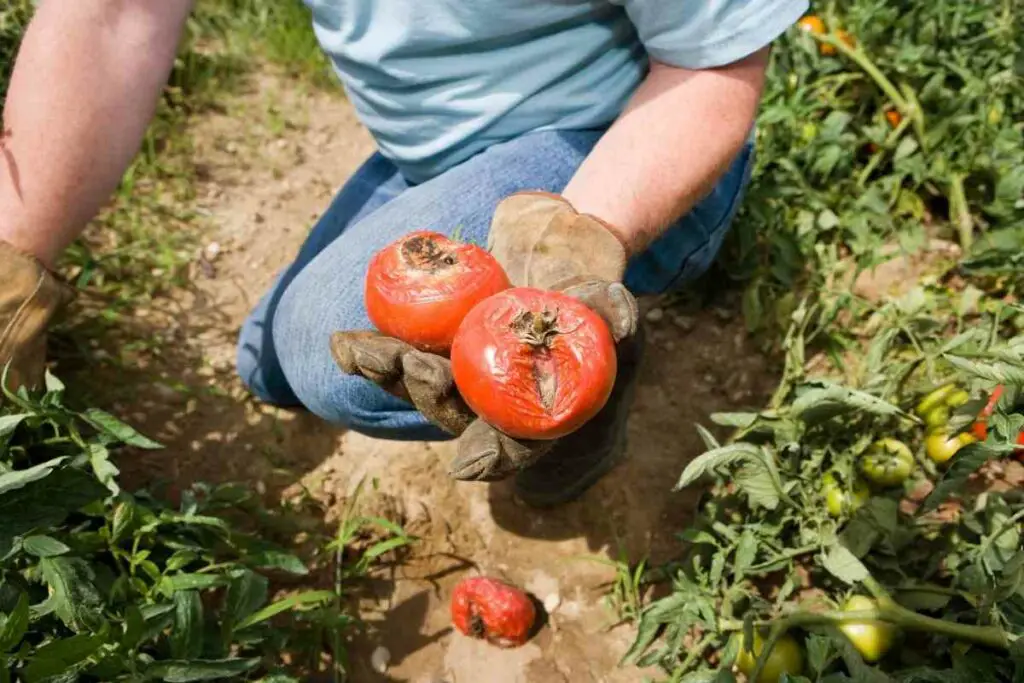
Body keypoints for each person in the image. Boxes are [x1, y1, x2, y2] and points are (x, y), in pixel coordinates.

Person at [1, 0, 807, 507]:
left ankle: (590, 373)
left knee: (321, 356)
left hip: (621, 147)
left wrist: (570, 269)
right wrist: (11, 260)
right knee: (266, 364)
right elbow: (114, 13)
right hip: (439, 154)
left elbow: (713, 67)